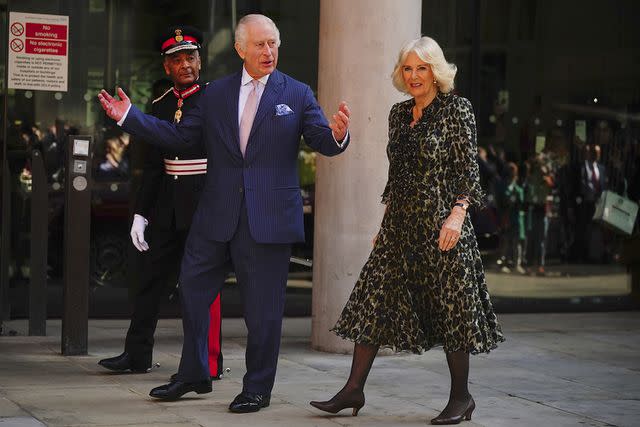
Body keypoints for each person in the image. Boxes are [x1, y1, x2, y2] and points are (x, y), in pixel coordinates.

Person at [98, 14, 350, 410]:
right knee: (194, 289)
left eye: (273, 44)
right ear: (240, 49)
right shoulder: (216, 93)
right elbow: (180, 136)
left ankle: (257, 387)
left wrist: (337, 135)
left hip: (267, 218)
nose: (268, 52)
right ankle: (195, 373)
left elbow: (322, 139)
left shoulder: (297, 93)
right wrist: (130, 117)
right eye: (260, 45)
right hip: (216, 212)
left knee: (262, 311)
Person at [309, 36, 504, 425]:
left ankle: (461, 398)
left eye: (422, 68)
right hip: (400, 225)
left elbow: (467, 169)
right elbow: (396, 177)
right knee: (375, 300)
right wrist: (385, 225)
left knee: (454, 311)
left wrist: (458, 213)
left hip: (442, 226)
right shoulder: (399, 114)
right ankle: (353, 389)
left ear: (436, 71)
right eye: (408, 68)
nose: (414, 76)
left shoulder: (457, 110)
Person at [98, 26, 224, 381]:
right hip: (168, 204)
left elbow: (194, 145)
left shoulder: (216, 99)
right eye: (177, 60)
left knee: (203, 287)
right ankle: (137, 354)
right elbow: (153, 166)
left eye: (190, 57)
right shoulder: (160, 103)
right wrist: (141, 212)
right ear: (166, 67)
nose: (185, 65)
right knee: (148, 279)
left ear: (200, 60)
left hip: (204, 202)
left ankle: (209, 363)